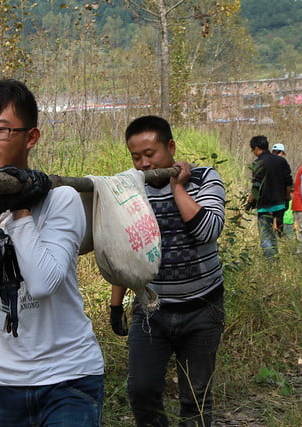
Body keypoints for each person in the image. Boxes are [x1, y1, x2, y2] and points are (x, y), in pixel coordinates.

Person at [0, 79, 104, 426]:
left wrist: (22, 210)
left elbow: (43, 283)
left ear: (31, 137)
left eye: (1, 130)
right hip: (6, 384)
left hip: (69, 378)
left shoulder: (62, 200)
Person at [110, 115, 226, 426]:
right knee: (141, 390)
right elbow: (124, 251)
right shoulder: (130, 190)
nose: (144, 164)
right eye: (136, 157)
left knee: (196, 397)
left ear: (171, 147)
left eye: (151, 154)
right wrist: (115, 304)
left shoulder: (205, 179)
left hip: (203, 309)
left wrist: (177, 186)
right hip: (151, 311)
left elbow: (208, 230)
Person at [245, 136, 293, 259]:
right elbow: (288, 182)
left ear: (256, 148)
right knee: (273, 233)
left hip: (265, 206)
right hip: (280, 204)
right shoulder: (281, 161)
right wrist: (287, 198)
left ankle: (270, 262)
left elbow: (256, 186)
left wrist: (250, 203)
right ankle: (275, 257)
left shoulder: (258, 163)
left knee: (266, 234)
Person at [271, 142, 294, 237]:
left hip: (267, 198)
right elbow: (288, 181)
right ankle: (279, 241)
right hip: (280, 198)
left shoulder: (266, 163)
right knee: (279, 222)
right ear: (281, 152)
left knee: (268, 223)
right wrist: (287, 196)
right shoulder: (283, 164)